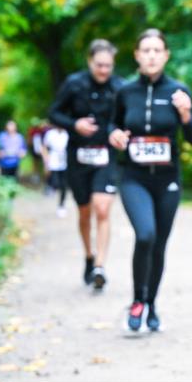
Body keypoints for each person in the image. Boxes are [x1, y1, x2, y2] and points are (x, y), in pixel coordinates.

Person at [109, 29, 192, 332]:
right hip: (133, 177)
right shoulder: (125, 92)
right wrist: (114, 134)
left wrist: (185, 114)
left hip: (167, 180)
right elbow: (113, 124)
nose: (151, 56)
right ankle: (137, 300)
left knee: (159, 244)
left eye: (157, 50)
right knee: (145, 235)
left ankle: (152, 303)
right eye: (145, 50)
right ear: (136, 55)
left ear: (166, 55)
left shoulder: (178, 91)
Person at [48, 39, 124, 289]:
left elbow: (127, 118)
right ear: (90, 61)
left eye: (108, 66)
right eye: (99, 65)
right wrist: (75, 124)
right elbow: (54, 113)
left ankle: (100, 266)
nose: (104, 70)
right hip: (78, 156)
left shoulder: (120, 87)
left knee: (102, 208)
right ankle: (89, 256)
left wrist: (119, 133)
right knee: (85, 211)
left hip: (106, 156)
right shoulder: (74, 84)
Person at [42, 124, 69, 217]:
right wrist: (46, 161)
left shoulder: (67, 133)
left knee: (64, 185)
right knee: (55, 182)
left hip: (65, 160)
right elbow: (44, 147)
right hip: (53, 160)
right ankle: (50, 187)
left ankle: (61, 205)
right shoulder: (50, 134)